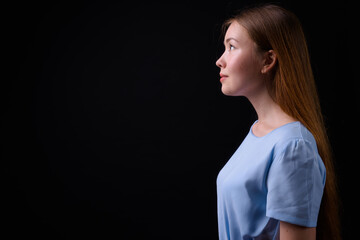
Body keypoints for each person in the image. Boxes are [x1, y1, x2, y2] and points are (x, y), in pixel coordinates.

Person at [215, 4, 341, 240]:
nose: (220, 61)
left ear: (268, 60)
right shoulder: (258, 132)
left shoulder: (293, 147)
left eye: (232, 47)